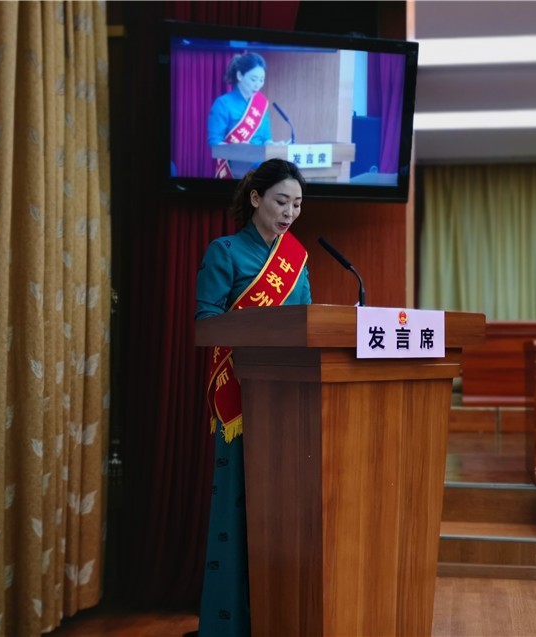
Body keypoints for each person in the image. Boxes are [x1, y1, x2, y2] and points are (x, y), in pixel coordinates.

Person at [195, 159, 310, 637]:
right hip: (241, 398)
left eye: (297, 204)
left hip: (291, 402)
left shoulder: (296, 260)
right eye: (282, 201)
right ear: (256, 198)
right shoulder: (224, 251)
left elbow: (308, 324)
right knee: (238, 511)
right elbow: (206, 323)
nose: (289, 213)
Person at [207, 52, 286, 180]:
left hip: (261, 163)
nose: (258, 85)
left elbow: (266, 139)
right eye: (253, 79)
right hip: (235, 167)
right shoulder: (223, 103)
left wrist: (275, 146)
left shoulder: (261, 104)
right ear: (240, 75)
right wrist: (239, 149)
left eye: (261, 80)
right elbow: (214, 144)